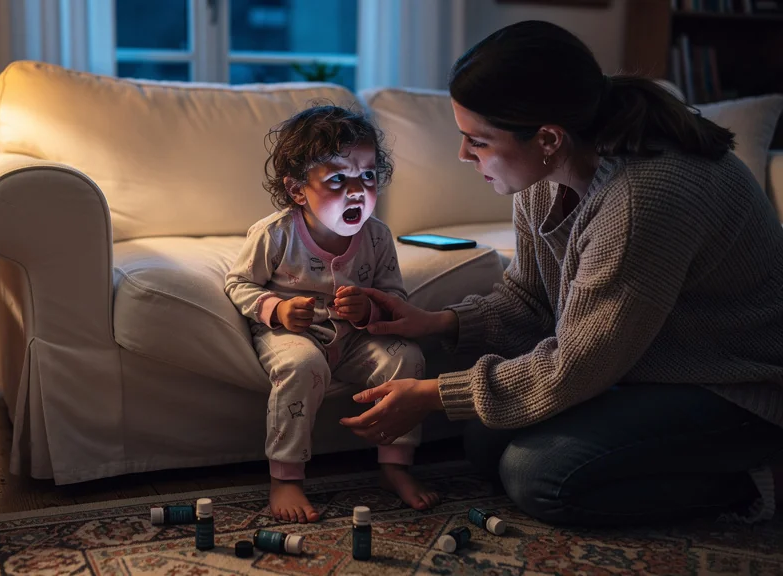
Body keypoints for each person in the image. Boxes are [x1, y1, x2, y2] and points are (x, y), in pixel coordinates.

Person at [340, 20, 783, 527]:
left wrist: (435, 394)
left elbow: (579, 363)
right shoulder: (543, 175)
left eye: (478, 141)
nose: (463, 155)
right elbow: (532, 303)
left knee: (540, 476)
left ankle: (759, 476)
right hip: (644, 367)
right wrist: (435, 323)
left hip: (738, 382)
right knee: (485, 443)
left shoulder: (642, 198)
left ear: (548, 136)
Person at [226, 105, 441, 523]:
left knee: (407, 357)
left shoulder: (377, 236)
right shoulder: (275, 234)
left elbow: (394, 294)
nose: (357, 190)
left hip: (357, 337)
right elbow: (238, 284)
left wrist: (370, 305)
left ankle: (395, 466)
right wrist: (279, 309)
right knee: (301, 364)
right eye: (338, 179)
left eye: (367, 176)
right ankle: (286, 477)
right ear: (297, 191)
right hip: (295, 336)